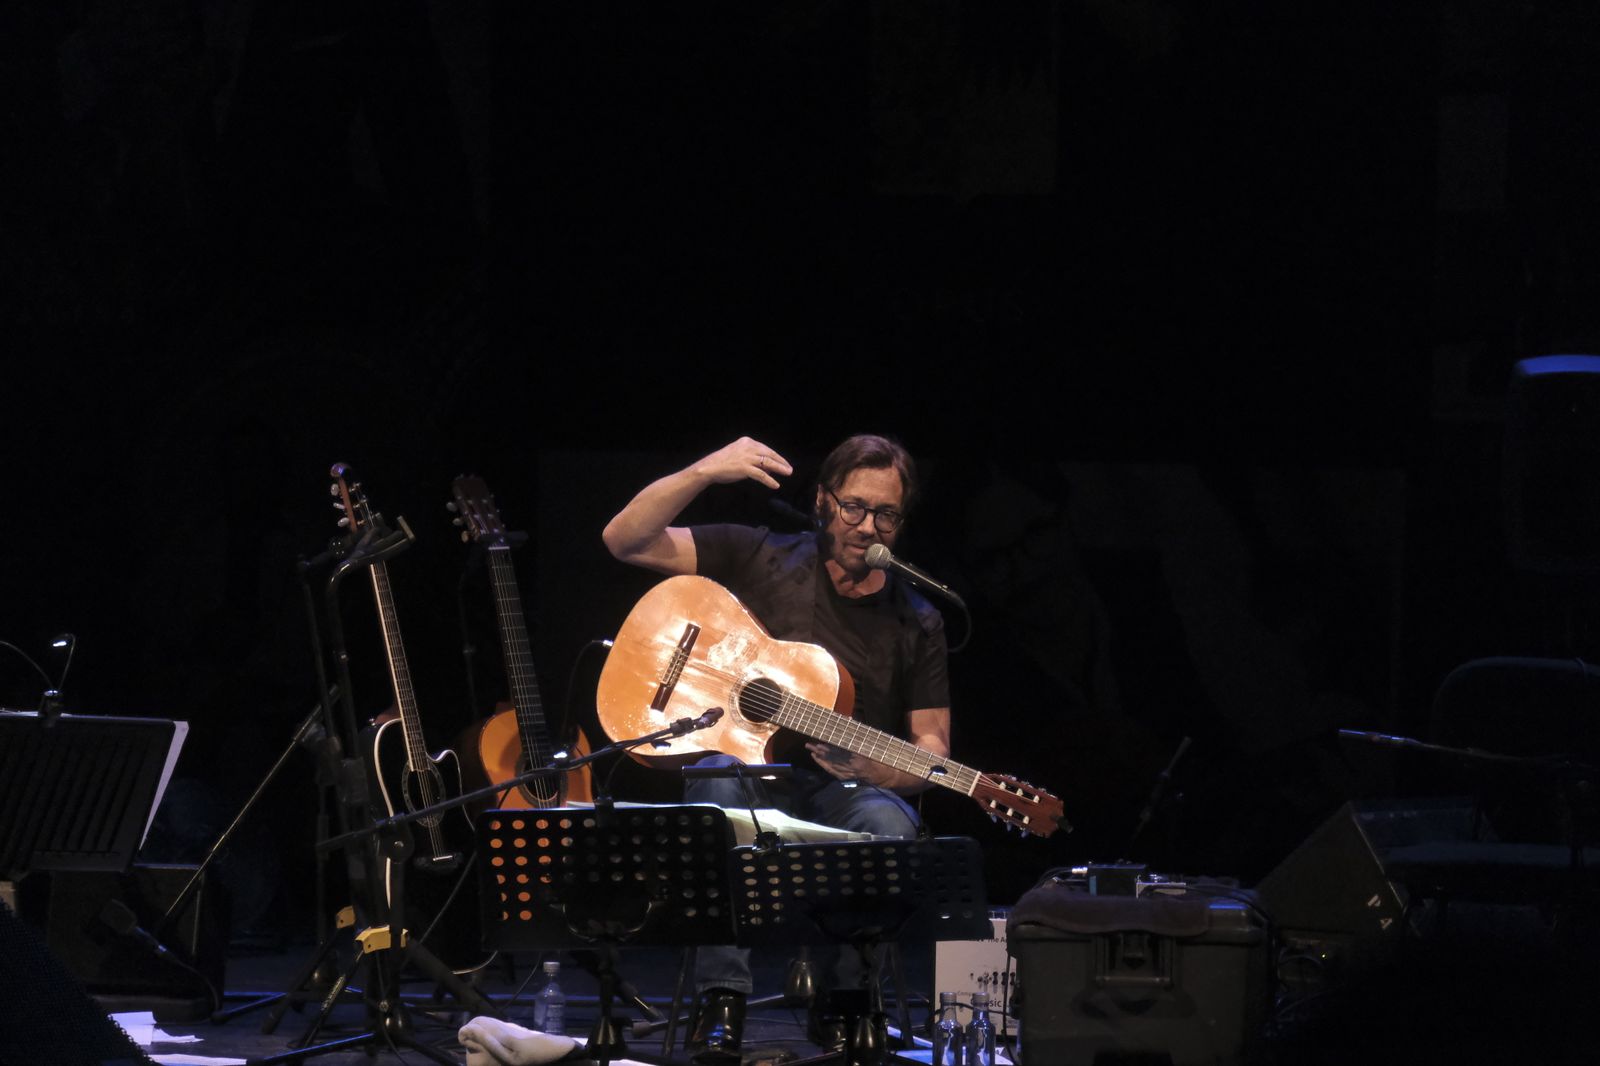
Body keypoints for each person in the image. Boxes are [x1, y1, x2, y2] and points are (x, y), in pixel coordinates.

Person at [602, 433, 951, 1063]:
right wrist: (705, 471)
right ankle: (721, 999)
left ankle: (846, 1000)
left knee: (888, 824)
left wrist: (889, 772)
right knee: (716, 777)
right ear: (822, 501)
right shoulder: (758, 553)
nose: (867, 527)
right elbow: (623, 539)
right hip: (746, 779)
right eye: (853, 507)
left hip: (843, 791)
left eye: (886, 515)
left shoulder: (917, 618)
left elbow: (933, 744)